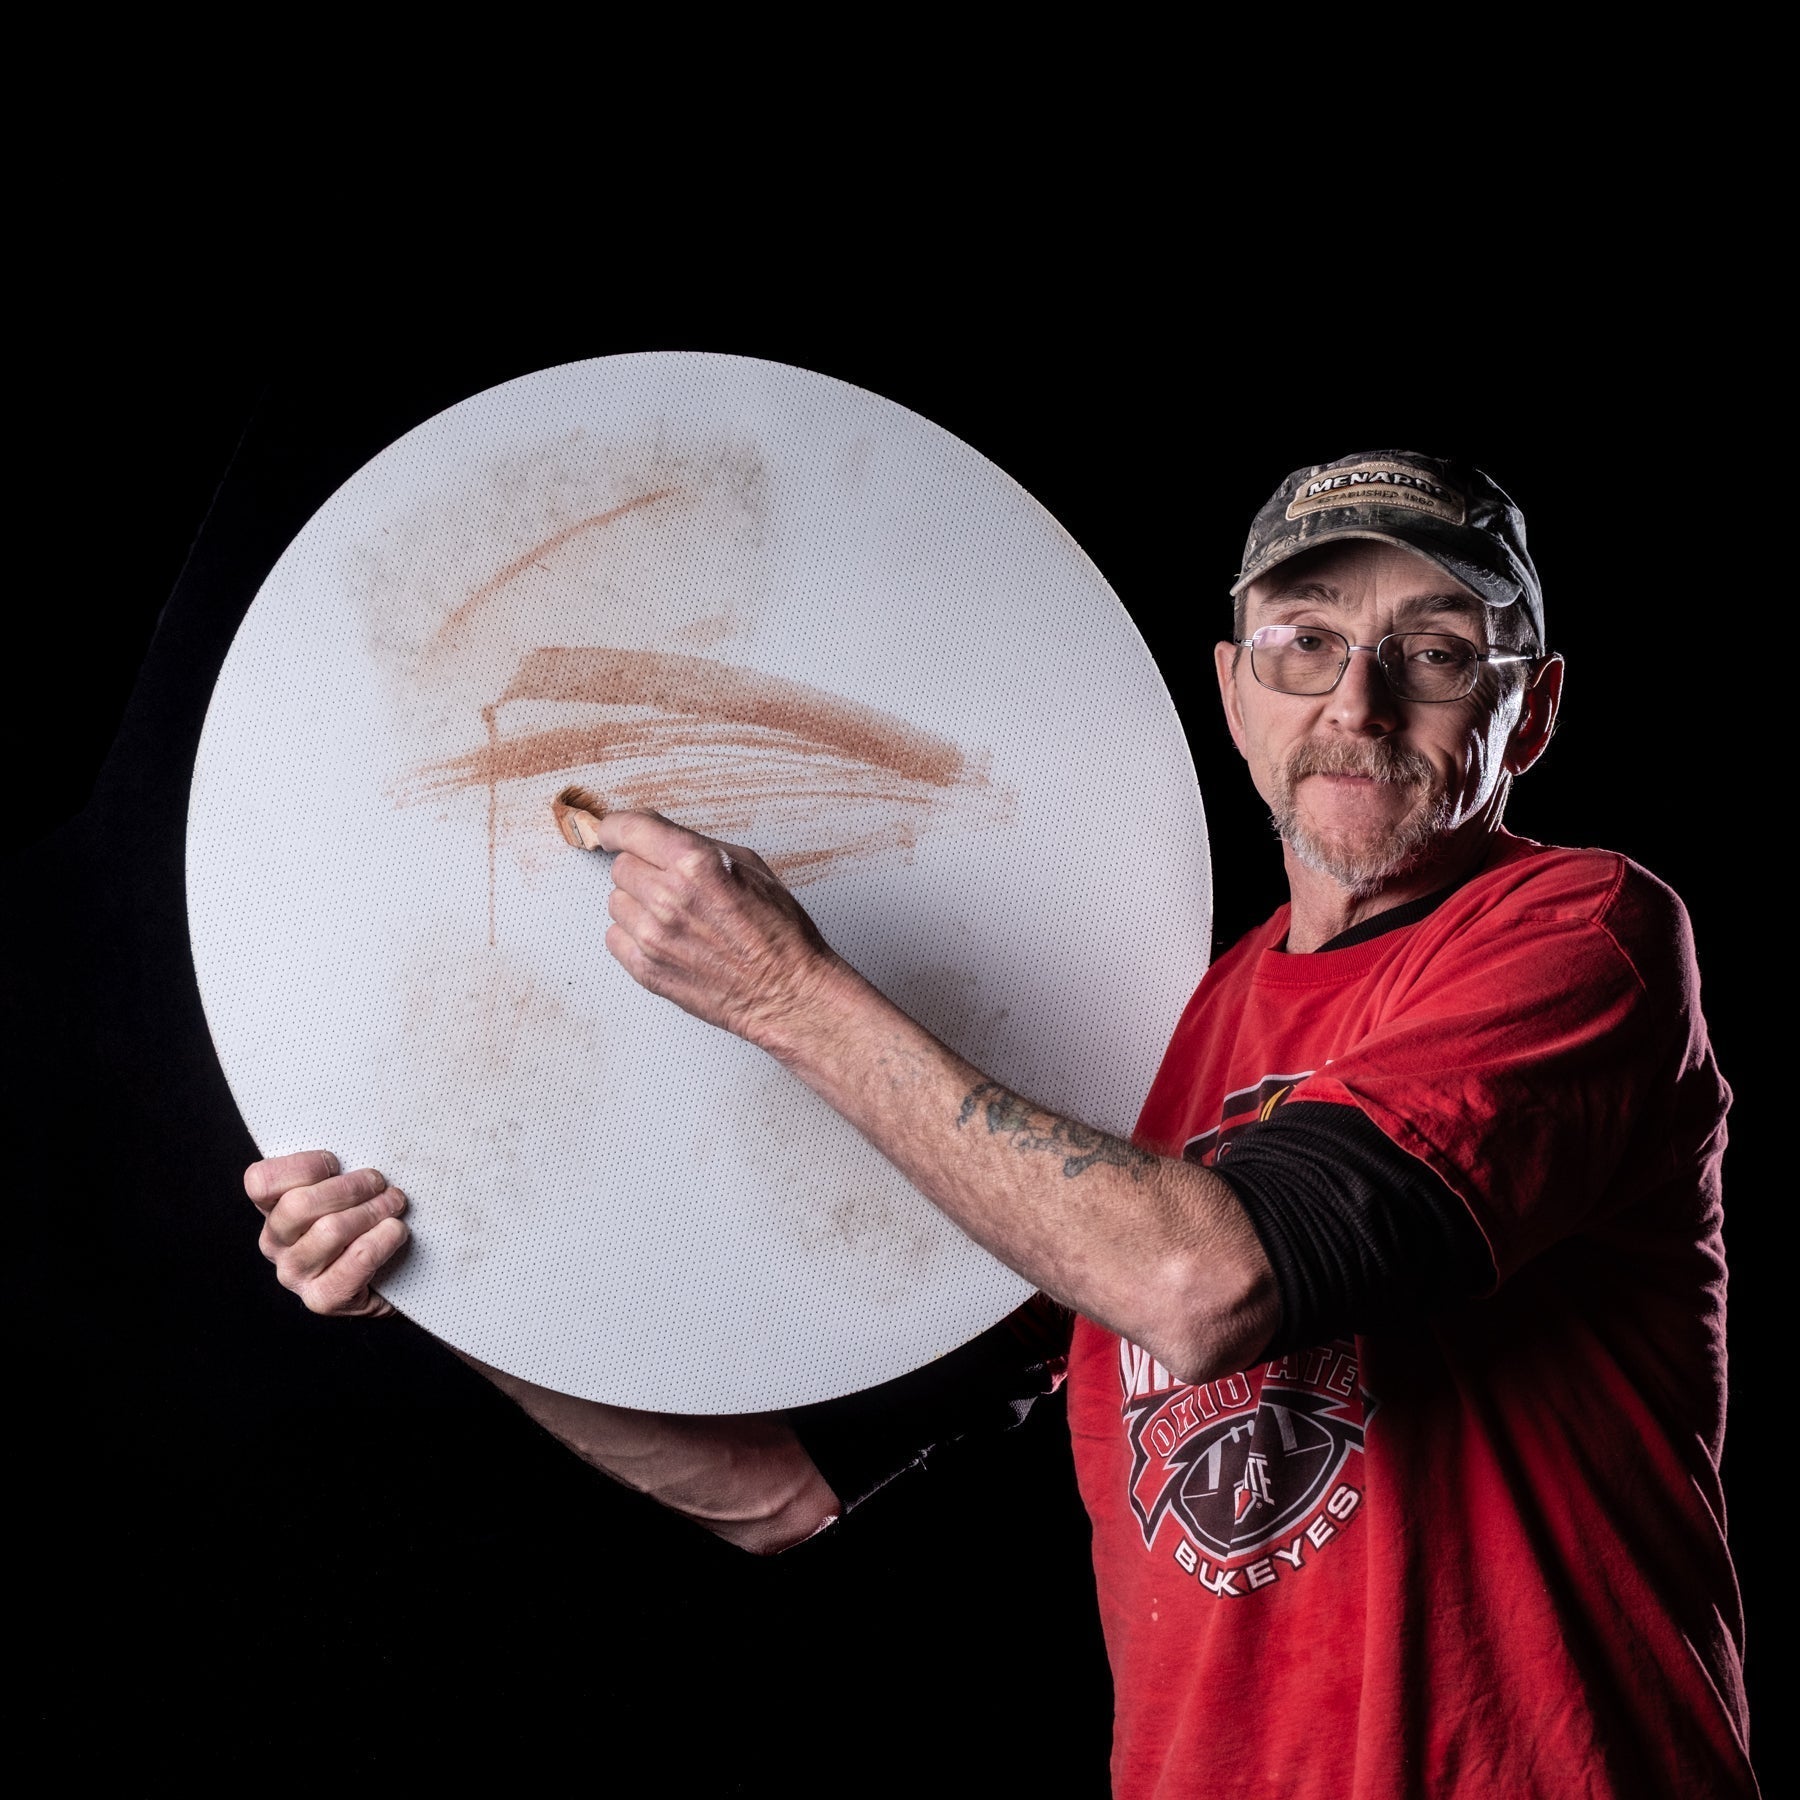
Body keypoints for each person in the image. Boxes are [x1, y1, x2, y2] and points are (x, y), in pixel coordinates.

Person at [245, 451, 1752, 1795]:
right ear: (1233, 687)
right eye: (1307, 643)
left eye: (1432, 651)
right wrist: (444, 1282)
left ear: (1530, 706)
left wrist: (784, 991)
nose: (1355, 704)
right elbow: (779, 1493)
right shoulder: (1172, 1037)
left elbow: (1205, 1282)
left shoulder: (1576, 933)